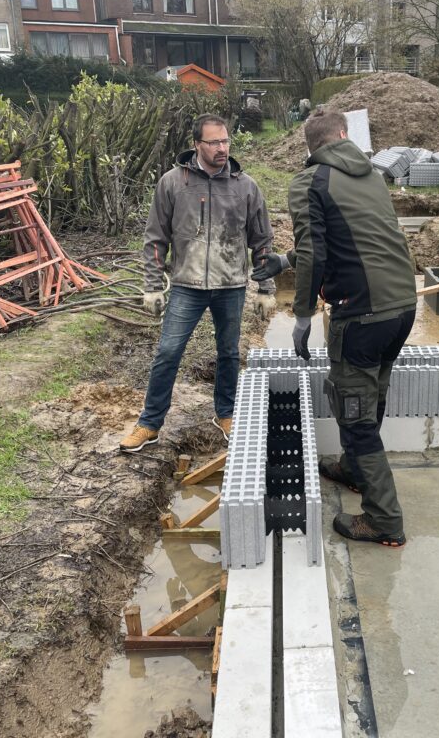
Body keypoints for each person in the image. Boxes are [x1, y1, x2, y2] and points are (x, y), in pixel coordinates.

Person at [252, 109, 417, 547]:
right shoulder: (372, 175)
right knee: (371, 393)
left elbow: (316, 253)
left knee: (354, 414)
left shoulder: (309, 182)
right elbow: (351, 237)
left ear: (310, 146)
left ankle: (384, 520)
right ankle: (354, 469)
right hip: (402, 307)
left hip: (361, 314)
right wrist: (285, 261)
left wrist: (302, 316)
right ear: (344, 136)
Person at [119, 113, 276, 453]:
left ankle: (227, 413)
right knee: (168, 352)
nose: (222, 148)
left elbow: (262, 241)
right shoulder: (173, 183)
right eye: (214, 142)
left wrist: (265, 288)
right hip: (186, 284)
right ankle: (150, 423)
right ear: (196, 144)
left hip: (231, 284)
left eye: (225, 141)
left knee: (229, 353)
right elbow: (156, 237)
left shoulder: (245, 186)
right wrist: (151, 284)